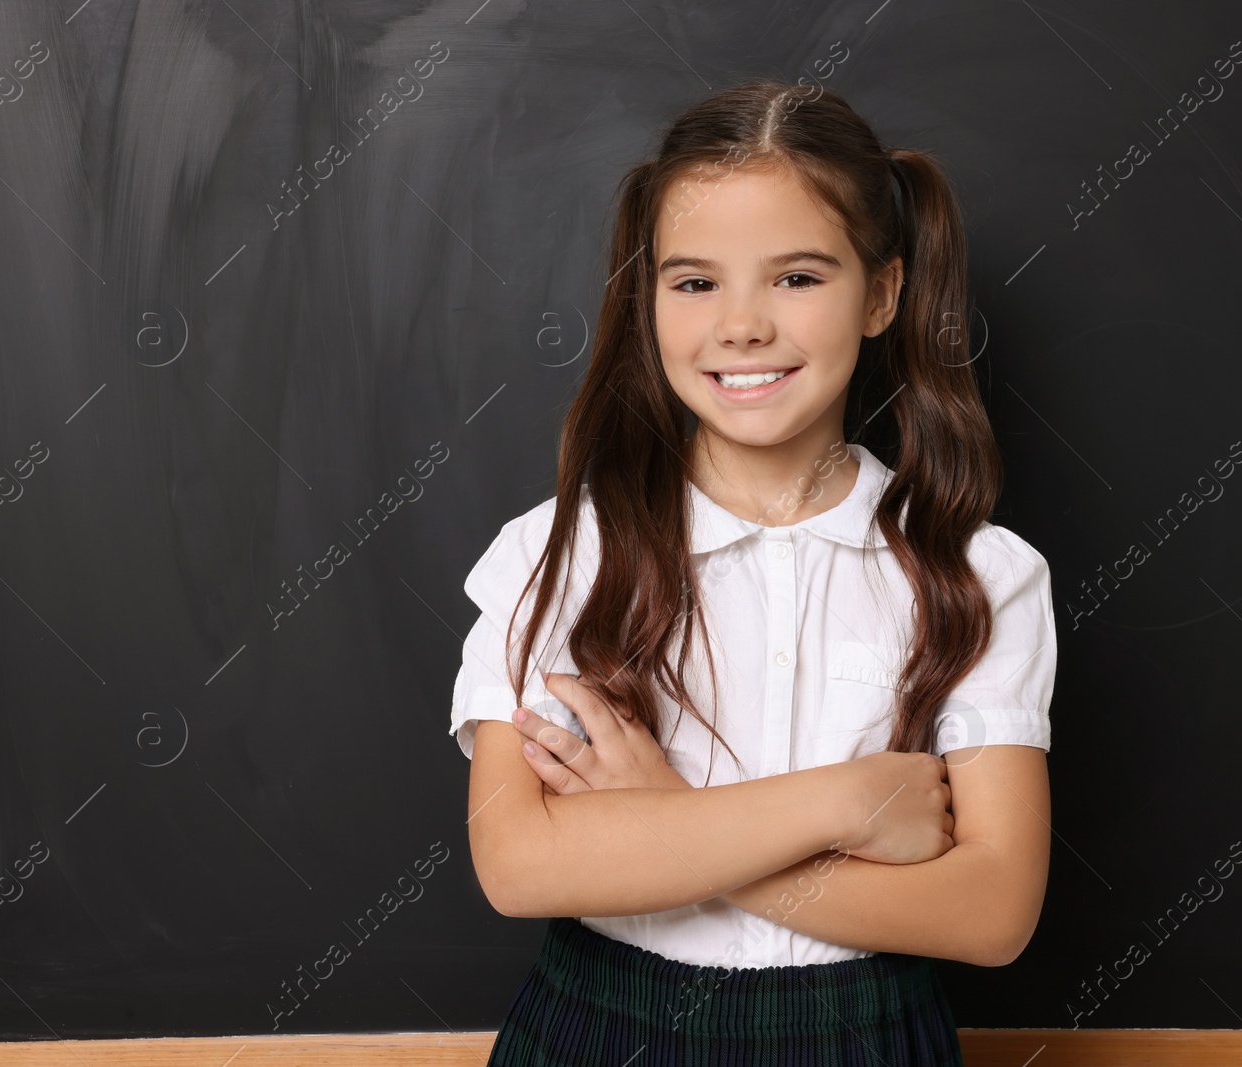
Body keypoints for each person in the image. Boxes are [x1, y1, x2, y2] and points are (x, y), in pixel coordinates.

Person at [450, 78, 1058, 1066]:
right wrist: (844, 801)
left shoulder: (982, 572)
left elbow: (990, 912)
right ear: (649, 298)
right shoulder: (557, 552)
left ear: (884, 294)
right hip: (604, 1027)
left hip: (864, 1036)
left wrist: (663, 827)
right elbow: (519, 866)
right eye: (694, 282)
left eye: (797, 277)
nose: (741, 325)